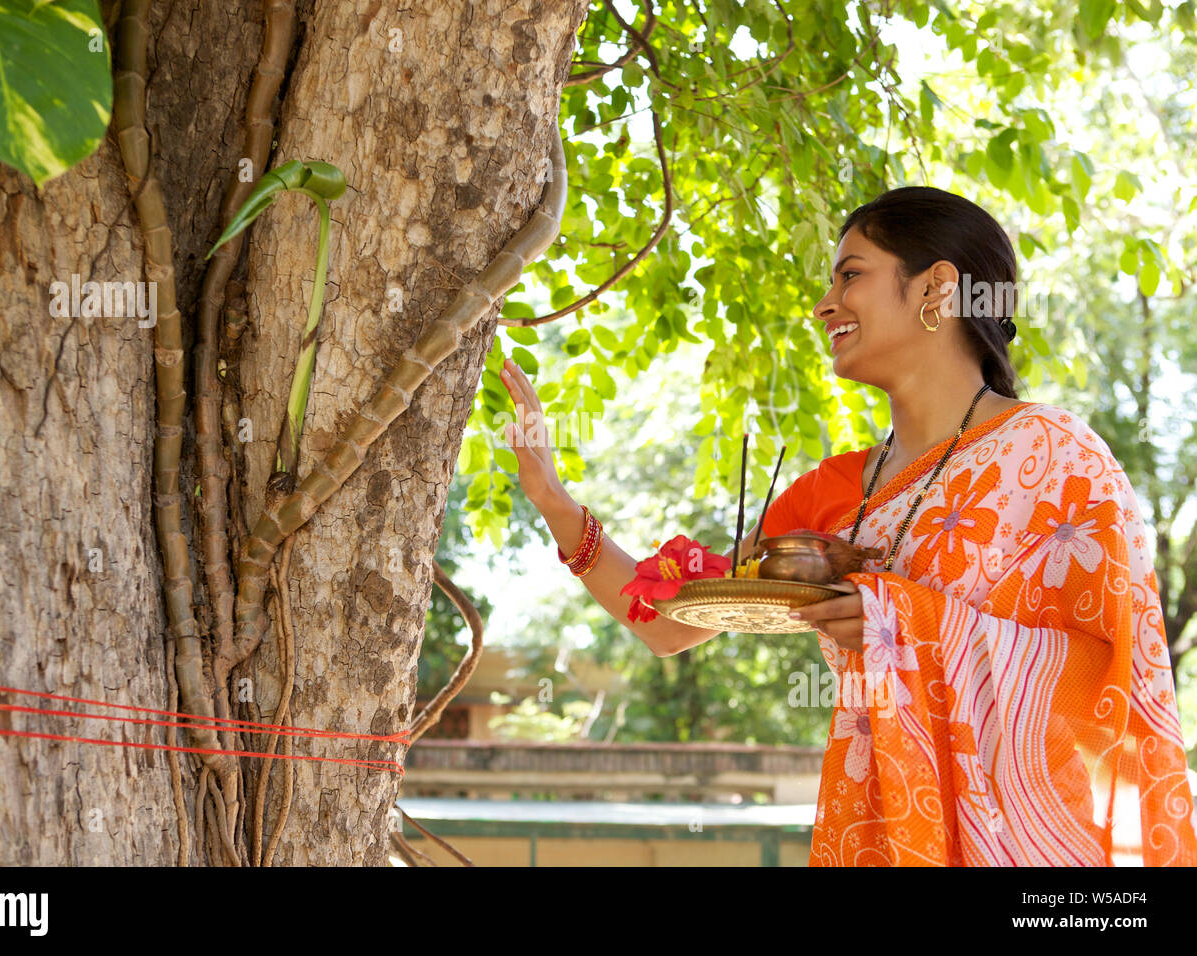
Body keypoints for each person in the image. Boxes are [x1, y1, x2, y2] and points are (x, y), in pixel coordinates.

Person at [498, 185, 1197, 867]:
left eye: (851, 275)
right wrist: (554, 502)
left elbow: (1117, 685)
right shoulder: (836, 494)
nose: (823, 303)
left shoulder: (1057, 459)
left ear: (936, 289)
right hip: (878, 831)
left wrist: (905, 622)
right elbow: (670, 623)